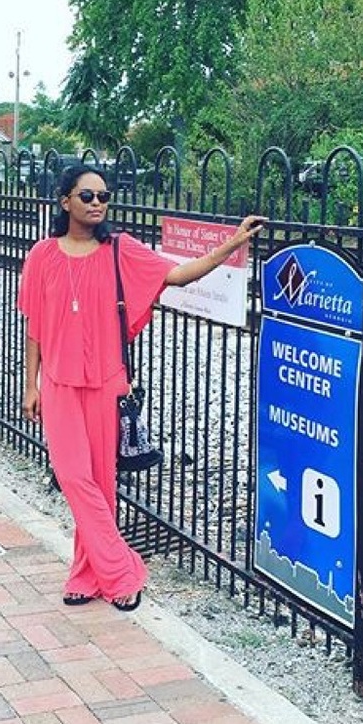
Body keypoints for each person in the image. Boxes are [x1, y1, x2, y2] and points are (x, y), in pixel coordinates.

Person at [18, 164, 266, 611]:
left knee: (102, 483)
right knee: (74, 478)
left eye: (103, 197)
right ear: (65, 201)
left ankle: (86, 575)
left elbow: (178, 275)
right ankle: (121, 571)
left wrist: (233, 242)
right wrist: (29, 384)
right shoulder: (42, 256)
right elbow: (34, 323)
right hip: (57, 383)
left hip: (107, 383)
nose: (97, 204)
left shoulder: (120, 251)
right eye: (87, 196)